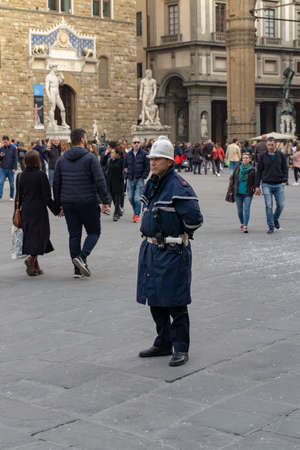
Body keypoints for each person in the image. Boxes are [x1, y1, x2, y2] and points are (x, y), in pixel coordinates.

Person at [137, 136, 203, 367]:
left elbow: (194, 219)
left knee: (175, 302)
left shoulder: (178, 187)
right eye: (152, 158)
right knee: (155, 299)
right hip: (152, 249)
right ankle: (163, 341)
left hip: (172, 251)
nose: (153, 163)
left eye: (158, 159)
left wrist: (177, 235)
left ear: (168, 161)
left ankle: (180, 347)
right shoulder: (153, 183)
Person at [53, 128, 110, 278]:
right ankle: (82, 257)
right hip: (87, 201)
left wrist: (58, 205)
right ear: (83, 140)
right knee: (94, 232)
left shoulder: (62, 159)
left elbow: (56, 183)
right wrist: (105, 201)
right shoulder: (90, 158)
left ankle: (77, 270)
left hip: (68, 202)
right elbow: (100, 180)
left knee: (74, 235)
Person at [14, 150, 60, 276]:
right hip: (39, 210)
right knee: (41, 236)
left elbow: (18, 198)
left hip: (26, 211)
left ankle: (35, 267)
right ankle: (31, 259)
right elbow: (46, 197)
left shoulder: (20, 176)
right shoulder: (41, 175)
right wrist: (57, 210)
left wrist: (16, 214)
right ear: (37, 161)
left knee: (31, 237)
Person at [255, 137, 288, 234]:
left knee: (281, 205)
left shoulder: (281, 155)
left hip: (279, 184)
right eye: (268, 145)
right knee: (268, 206)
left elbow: (285, 169)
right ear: (266, 145)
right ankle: (271, 226)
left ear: (276, 144)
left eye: (272, 145)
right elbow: (259, 171)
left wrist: (284, 180)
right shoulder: (262, 156)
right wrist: (257, 186)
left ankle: (275, 218)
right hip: (266, 184)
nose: (270, 147)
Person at [123, 137, 150, 223]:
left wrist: (144, 176)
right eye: (134, 142)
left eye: (138, 142)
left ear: (140, 144)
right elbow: (124, 166)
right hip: (130, 178)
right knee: (130, 198)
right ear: (132, 144)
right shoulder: (128, 154)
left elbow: (147, 167)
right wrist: (125, 175)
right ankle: (136, 211)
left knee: (137, 198)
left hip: (139, 179)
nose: (136, 144)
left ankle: (136, 215)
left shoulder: (144, 154)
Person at [227, 153, 256, 233]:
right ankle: (242, 223)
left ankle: (245, 225)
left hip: (248, 192)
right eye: (243, 158)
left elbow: (255, 181)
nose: (245, 159)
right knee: (240, 210)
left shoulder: (253, 169)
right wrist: (230, 190)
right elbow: (232, 180)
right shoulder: (237, 168)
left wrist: (256, 188)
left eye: (247, 158)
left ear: (250, 159)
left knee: (246, 209)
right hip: (237, 192)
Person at [106, 146, 124, 221]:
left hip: (119, 182)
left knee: (117, 199)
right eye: (111, 152)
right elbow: (108, 171)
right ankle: (119, 211)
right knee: (114, 199)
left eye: (112, 152)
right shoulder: (110, 160)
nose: (111, 154)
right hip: (111, 182)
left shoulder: (121, 161)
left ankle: (116, 214)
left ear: (116, 154)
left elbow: (122, 171)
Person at [0, 135, 18, 200]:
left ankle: (11, 196)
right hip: (2, 168)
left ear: (8, 141)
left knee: (12, 184)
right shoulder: (1, 148)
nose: (5, 143)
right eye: (4, 142)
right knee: (1, 182)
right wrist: (1, 156)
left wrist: (15, 168)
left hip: (11, 169)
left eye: (6, 142)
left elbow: (15, 159)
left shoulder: (13, 148)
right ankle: (0, 196)